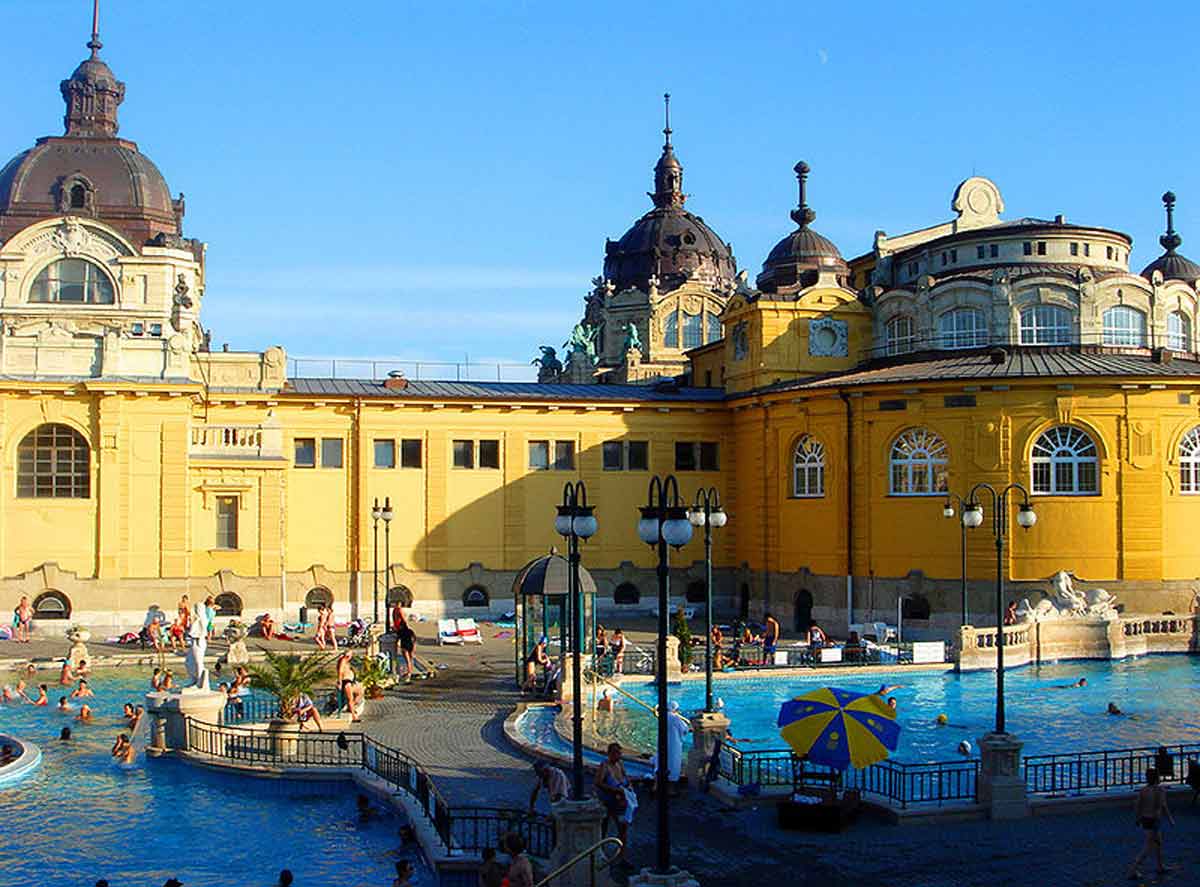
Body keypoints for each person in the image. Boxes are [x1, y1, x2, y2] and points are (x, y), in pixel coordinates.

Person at [1128, 768, 1176, 880]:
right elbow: (1163, 806)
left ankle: (1160, 866)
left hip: (1145, 819)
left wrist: (1137, 819)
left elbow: (1138, 806)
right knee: (1148, 846)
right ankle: (1133, 869)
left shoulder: (1143, 790)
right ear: (1157, 778)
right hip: (1155, 820)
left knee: (1158, 843)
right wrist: (1170, 819)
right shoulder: (1160, 790)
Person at [594, 742, 632, 866]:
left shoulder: (620, 764)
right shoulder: (604, 766)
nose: (618, 755)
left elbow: (626, 777)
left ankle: (623, 857)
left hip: (620, 802)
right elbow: (598, 783)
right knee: (603, 828)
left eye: (619, 753)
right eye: (615, 753)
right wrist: (616, 790)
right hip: (608, 802)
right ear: (609, 753)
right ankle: (600, 855)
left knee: (623, 829)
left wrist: (628, 789)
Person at [397, 615, 416, 683]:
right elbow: (414, 639)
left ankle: (408, 673)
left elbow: (397, 638)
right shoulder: (410, 631)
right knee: (410, 660)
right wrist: (414, 648)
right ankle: (410, 673)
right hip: (410, 645)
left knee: (407, 660)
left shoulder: (401, 631)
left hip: (404, 646)